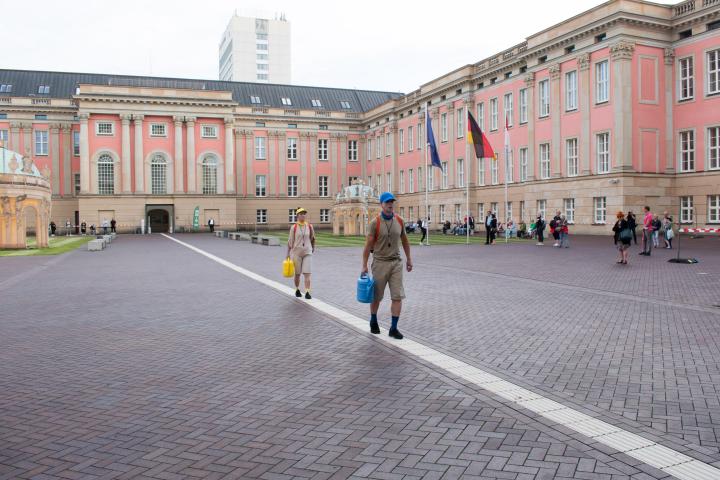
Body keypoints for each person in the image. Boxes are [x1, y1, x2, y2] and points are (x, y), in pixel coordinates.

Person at [362, 192, 413, 340]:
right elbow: (367, 246)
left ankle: (394, 328)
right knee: (376, 296)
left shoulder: (399, 220)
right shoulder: (374, 223)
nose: (390, 204)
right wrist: (364, 265)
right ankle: (373, 320)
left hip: (396, 262)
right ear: (381, 205)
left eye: (392, 202)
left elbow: (405, 241)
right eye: (387, 202)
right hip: (380, 262)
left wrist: (409, 259)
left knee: (397, 296)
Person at [287, 207, 316, 300]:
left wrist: (313, 248)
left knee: (307, 273)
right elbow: (290, 241)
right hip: (297, 253)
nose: (303, 215)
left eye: (304, 213)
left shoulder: (309, 226)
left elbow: (313, 238)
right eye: (301, 214)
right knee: (297, 274)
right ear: (297, 216)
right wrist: (288, 254)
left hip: (307, 252)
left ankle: (307, 291)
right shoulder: (294, 227)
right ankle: (297, 289)